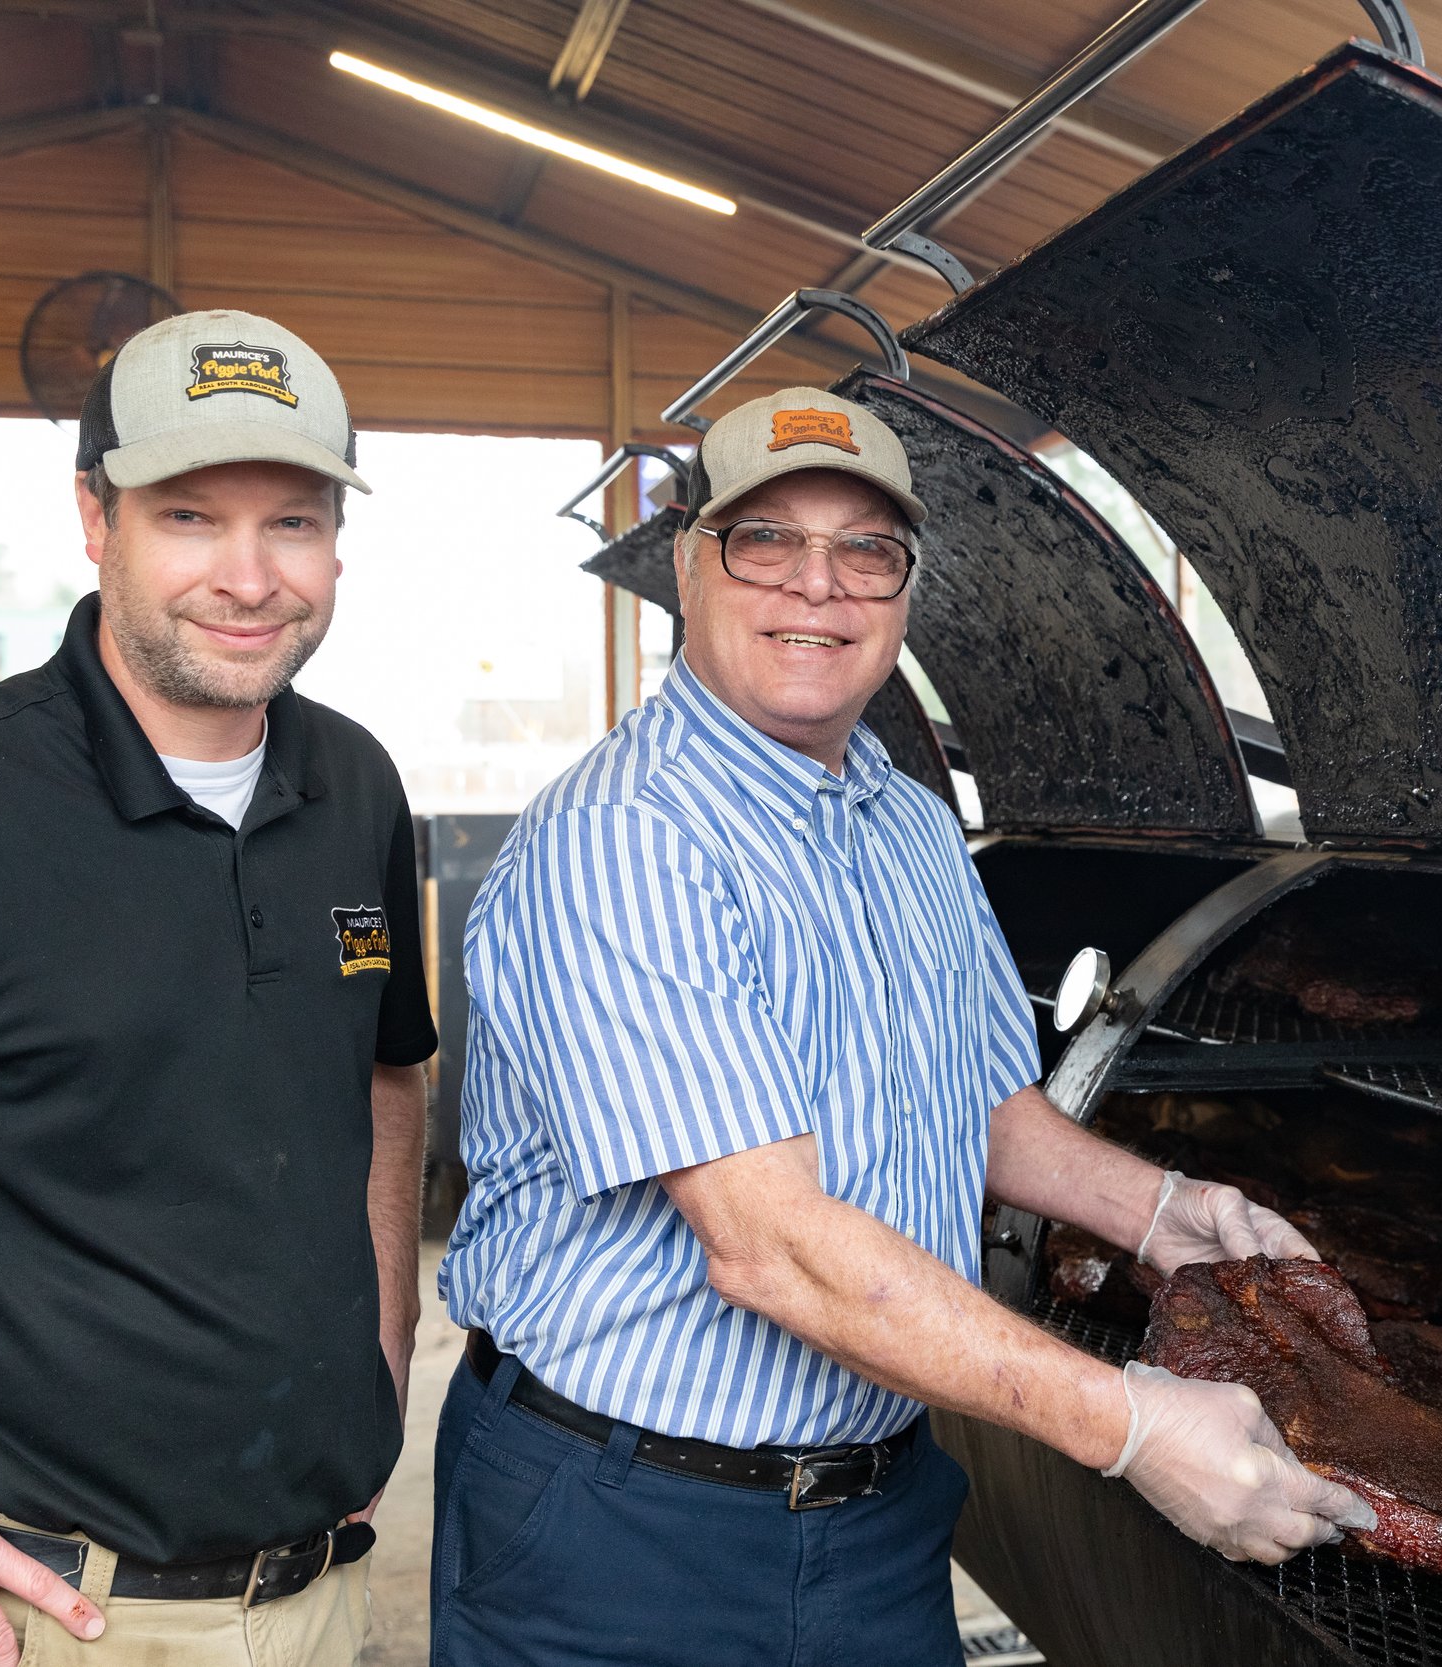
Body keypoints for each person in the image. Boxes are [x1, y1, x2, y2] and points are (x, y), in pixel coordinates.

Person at [433, 385, 1374, 1665]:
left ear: (904, 590)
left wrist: (1161, 1211)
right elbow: (770, 1249)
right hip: (629, 1524)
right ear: (687, 566)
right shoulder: (629, 838)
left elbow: (986, 1105)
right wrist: (1131, 1423)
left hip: (878, 1504)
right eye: (765, 539)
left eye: (865, 551)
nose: (818, 586)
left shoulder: (908, 821)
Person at [0, 310, 436, 1667]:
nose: (248, 573)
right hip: (34, 1617)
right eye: (188, 516)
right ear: (94, 520)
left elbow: (386, 1070)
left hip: (327, 1598)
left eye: (291, 520)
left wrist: (388, 1340)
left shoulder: (355, 786)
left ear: (337, 540)